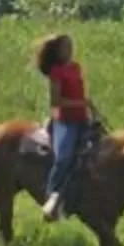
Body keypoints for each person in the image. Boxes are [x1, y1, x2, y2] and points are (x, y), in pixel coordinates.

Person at [35, 33, 93, 221]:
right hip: (65, 121)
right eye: (65, 47)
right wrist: (81, 104)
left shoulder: (76, 67)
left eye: (71, 46)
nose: (70, 50)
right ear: (57, 51)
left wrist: (87, 108)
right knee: (64, 157)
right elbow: (56, 101)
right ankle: (53, 196)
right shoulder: (56, 72)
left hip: (82, 117)